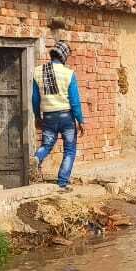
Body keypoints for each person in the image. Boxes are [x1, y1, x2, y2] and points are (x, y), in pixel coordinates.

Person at [32, 40, 85, 192]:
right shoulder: (68, 74)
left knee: (47, 145)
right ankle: (62, 183)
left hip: (48, 116)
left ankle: (37, 158)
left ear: (52, 54)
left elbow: (35, 99)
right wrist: (80, 120)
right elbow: (74, 101)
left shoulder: (38, 72)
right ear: (64, 57)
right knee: (69, 149)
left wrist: (37, 117)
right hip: (66, 117)